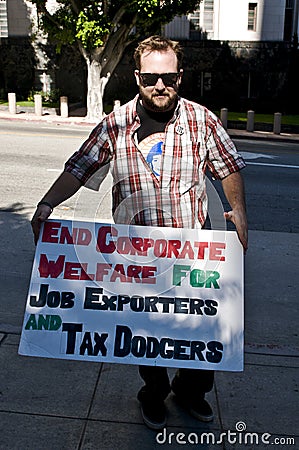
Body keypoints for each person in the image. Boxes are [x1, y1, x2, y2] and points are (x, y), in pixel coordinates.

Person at [31, 35, 248, 431]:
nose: (159, 85)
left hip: (193, 253)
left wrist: (238, 213)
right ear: (137, 77)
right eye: (151, 77)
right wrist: (47, 204)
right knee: (144, 334)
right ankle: (153, 395)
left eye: (167, 77)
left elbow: (228, 165)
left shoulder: (201, 121)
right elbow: (78, 167)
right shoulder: (115, 125)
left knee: (199, 334)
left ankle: (190, 392)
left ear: (180, 77)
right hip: (136, 257)